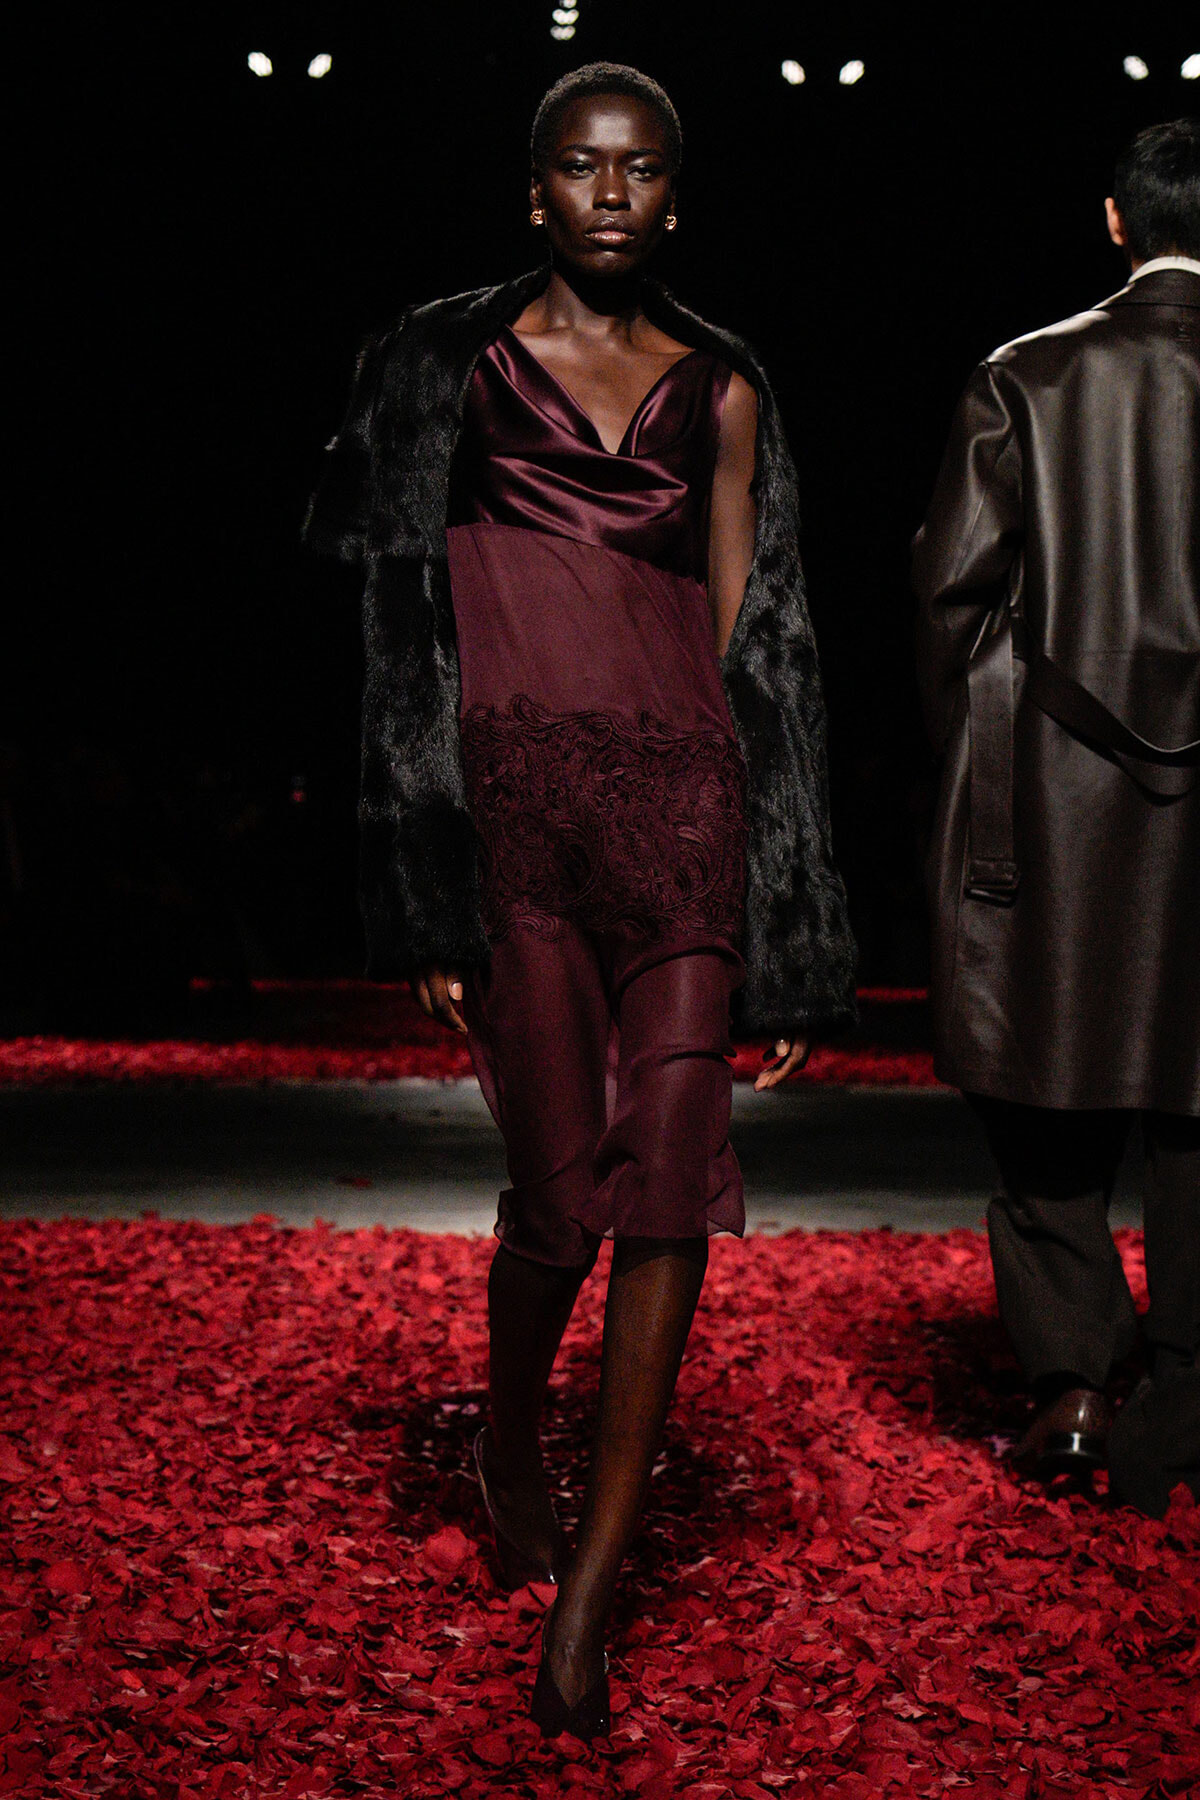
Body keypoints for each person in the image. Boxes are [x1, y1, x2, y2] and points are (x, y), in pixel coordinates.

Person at [305, 63, 855, 1733]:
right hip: (522, 836)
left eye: (639, 171)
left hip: (685, 821)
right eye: (577, 165)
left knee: (668, 1188)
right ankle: (500, 1432)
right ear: (533, 187)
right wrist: (424, 878)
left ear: (672, 197)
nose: (609, 193)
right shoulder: (439, 368)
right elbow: (398, 641)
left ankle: (594, 1596)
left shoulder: (726, 388)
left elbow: (771, 658)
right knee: (556, 1205)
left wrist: (790, 930)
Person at [912, 119, 1199, 1509]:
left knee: (1044, 1085)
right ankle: (1186, 1398)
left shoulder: (1029, 373)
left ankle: (1079, 1387)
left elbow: (953, 596)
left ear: (1112, 222)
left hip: (1063, 798)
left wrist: (986, 759)